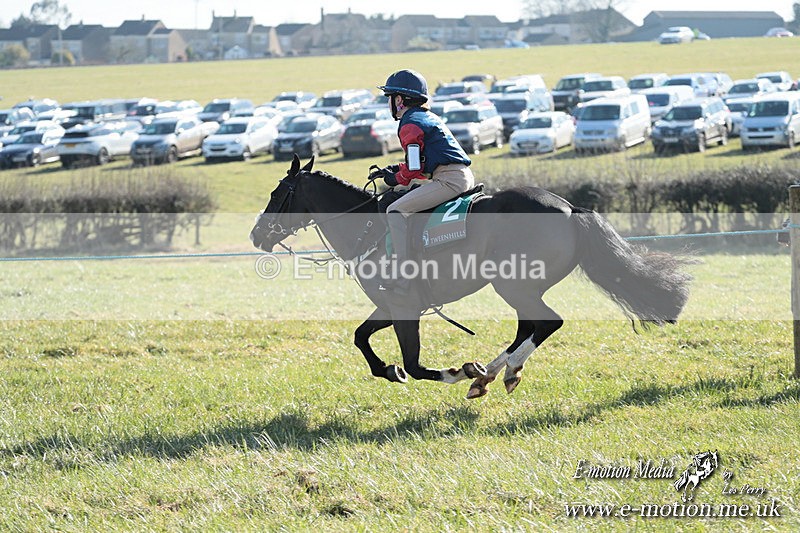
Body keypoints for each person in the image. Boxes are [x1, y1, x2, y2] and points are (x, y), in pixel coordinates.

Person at [373, 69, 475, 295]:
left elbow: (415, 168)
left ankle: (403, 273)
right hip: (456, 175)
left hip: (449, 180)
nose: (389, 103)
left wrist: (395, 178)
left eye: (390, 98)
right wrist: (396, 170)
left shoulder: (409, 123)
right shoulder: (425, 116)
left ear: (399, 100)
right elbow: (418, 162)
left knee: (395, 210)